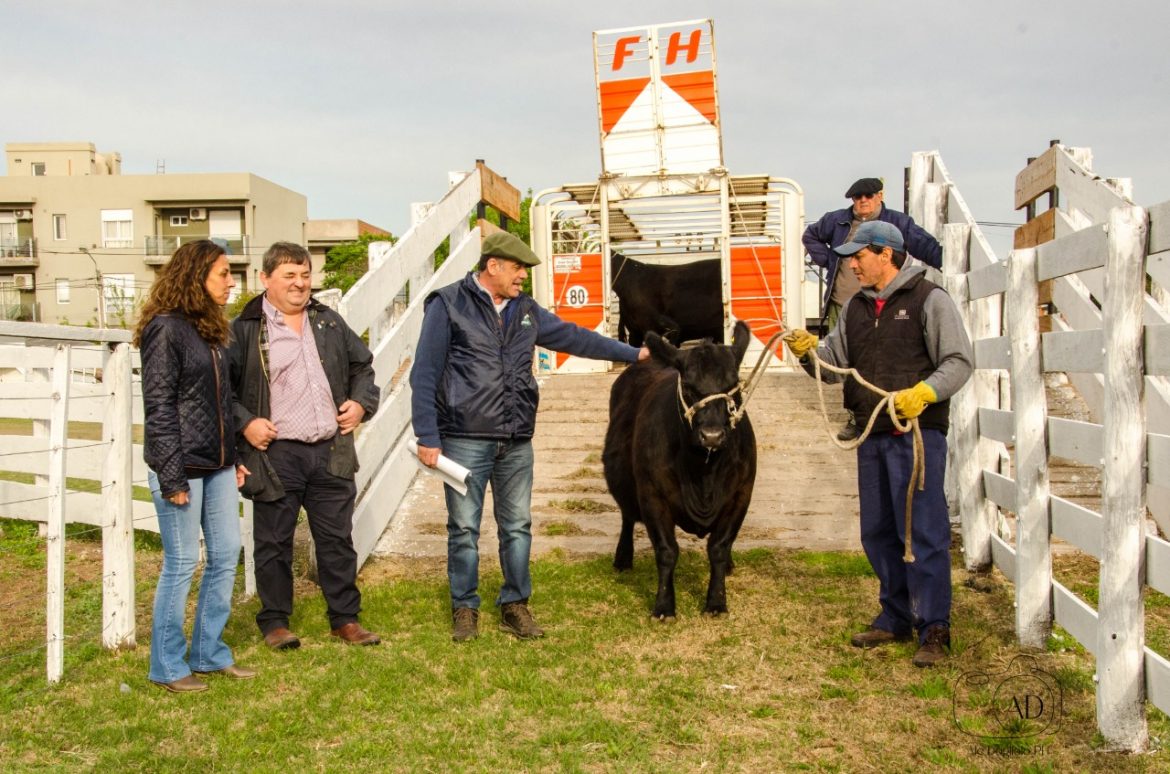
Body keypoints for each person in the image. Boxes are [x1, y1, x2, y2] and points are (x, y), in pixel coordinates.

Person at [411, 232, 649, 642]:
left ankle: (515, 603)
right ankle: (464, 608)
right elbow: (425, 372)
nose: (524, 276)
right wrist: (427, 436)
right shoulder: (447, 304)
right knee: (464, 528)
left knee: (517, 525)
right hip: (465, 437)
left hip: (517, 438)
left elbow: (577, 338)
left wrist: (634, 354)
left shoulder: (526, 310)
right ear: (493, 266)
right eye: (518, 268)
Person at [783, 220, 972, 668]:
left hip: (918, 434)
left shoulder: (930, 300)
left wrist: (925, 392)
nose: (852, 264)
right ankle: (896, 614)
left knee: (923, 532)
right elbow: (833, 366)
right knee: (878, 531)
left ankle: (934, 628)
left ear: (886, 254)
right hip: (871, 431)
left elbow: (959, 361)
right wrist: (808, 351)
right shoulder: (855, 309)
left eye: (859, 255)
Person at [228, 242, 381, 650]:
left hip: (329, 448)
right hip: (276, 452)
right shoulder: (244, 328)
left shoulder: (327, 321)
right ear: (265, 279)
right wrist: (245, 424)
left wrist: (361, 403)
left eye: (305, 275)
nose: (300, 284)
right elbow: (220, 390)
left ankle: (345, 619)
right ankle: (275, 622)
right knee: (274, 541)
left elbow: (362, 366)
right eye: (289, 276)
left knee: (336, 538)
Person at [136, 239, 254, 693]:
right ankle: (167, 665)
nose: (230, 282)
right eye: (223, 273)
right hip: (181, 467)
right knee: (182, 561)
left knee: (226, 555)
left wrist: (236, 457)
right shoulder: (164, 328)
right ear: (196, 275)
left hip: (220, 466)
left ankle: (207, 653)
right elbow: (159, 406)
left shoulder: (211, 328)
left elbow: (222, 401)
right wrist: (171, 476)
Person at [802, 177, 943, 440]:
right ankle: (857, 417)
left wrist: (947, 260)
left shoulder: (897, 223)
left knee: (883, 356)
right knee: (849, 363)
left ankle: (890, 411)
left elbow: (922, 243)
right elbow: (809, 235)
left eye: (868, 196)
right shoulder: (836, 220)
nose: (862, 201)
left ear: (880, 195)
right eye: (857, 197)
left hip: (884, 301)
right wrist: (829, 259)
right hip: (844, 302)